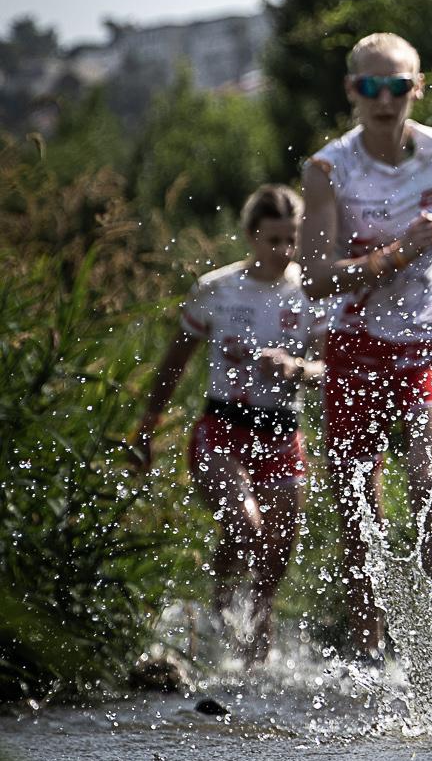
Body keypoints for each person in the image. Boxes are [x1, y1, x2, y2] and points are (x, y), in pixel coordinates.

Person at [299, 32, 432, 659]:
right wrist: (396, 254)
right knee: (359, 504)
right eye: (370, 86)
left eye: (397, 86)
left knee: (431, 483)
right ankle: (369, 650)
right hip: (352, 346)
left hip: (426, 344)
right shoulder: (328, 169)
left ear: (416, 89)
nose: (384, 98)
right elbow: (314, 273)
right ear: (352, 92)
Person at [132, 183, 322, 662]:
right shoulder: (218, 289)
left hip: (283, 434)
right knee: (244, 524)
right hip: (222, 431)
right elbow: (174, 364)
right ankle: (219, 611)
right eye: (273, 240)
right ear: (251, 236)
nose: (284, 251)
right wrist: (148, 425)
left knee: (275, 553)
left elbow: (330, 370)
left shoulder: (312, 294)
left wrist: (297, 369)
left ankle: (255, 649)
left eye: (292, 240)